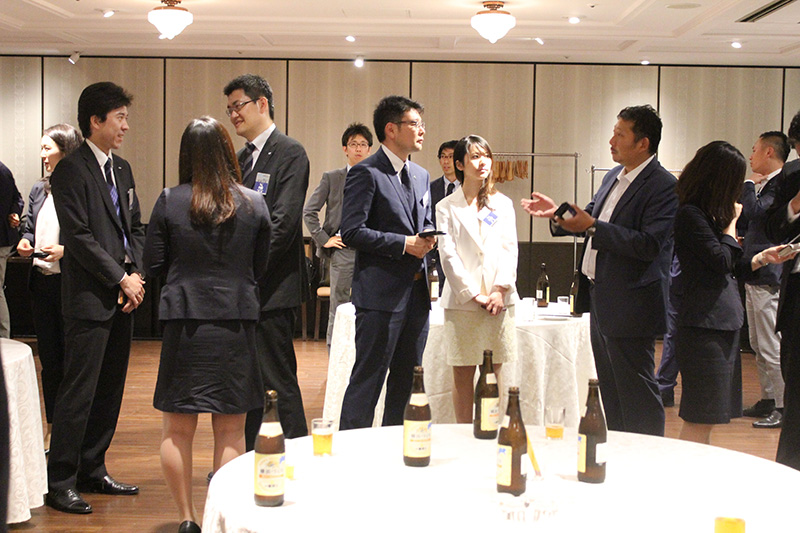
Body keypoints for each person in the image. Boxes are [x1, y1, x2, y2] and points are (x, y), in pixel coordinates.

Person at [144, 117, 271, 533]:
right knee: (231, 430)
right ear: (228, 152)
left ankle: (187, 518)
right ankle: (222, 519)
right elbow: (260, 266)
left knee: (177, 428)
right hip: (236, 322)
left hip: (185, 321)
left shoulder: (169, 200)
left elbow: (153, 264)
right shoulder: (254, 202)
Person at [521, 104, 678, 436]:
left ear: (643, 143)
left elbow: (649, 244)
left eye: (620, 134)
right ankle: (620, 446)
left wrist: (592, 225)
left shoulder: (663, 185)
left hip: (632, 302)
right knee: (611, 388)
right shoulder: (612, 177)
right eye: (613, 132)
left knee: (637, 389)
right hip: (600, 296)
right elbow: (590, 218)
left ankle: (649, 452)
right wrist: (558, 214)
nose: (611, 141)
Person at [46, 82, 146, 514]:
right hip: (90, 297)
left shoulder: (121, 168)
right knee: (79, 392)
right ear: (95, 120)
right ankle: (60, 480)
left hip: (124, 295)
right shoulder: (70, 170)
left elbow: (135, 227)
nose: (125, 126)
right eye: (120, 117)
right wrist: (120, 278)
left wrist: (136, 274)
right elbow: (79, 238)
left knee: (109, 390)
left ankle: (93, 467)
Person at [339, 95, 436, 429]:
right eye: (415, 124)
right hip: (379, 298)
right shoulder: (366, 172)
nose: (422, 131)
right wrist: (404, 244)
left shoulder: (421, 175)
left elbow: (422, 220)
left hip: (417, 296)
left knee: (408, 384)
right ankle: (352, 451)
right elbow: (352, 231)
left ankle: (397, 448)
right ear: (391, 129)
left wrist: (428, 237)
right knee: (367, 382)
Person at [224, 74, 310, 443]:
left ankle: (297, 455)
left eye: (238, 106)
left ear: (262, 104)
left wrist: (245, 270)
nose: (233, 114)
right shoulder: (241, 157)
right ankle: (254, 455)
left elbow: (283, 224)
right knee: (249, 383)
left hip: (272, 288)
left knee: (278, 380)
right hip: (243, 289)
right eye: (229, 109)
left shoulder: (290, 152)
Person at [435, 135, 518, 423]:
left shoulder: (503, 204)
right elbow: (447, 255)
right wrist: (474, 294)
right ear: (460, 164)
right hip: (463, 302)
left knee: (493, 372)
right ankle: (463, 433)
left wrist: (498, 290)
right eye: (474, 157)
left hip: (498, 301)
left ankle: (491, 428)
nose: (483, 162)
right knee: (462, 372)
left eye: (486, 156)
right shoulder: (446, 206)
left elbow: (510, 249)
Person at [16, 123, 83, 452]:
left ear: (65, 149)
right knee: (51, 361)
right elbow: (29, 227)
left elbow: (93, 237)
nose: (42, 154)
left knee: (73, 362)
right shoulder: (39, 188)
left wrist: (66, 251)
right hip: (41, 283)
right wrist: (25, 242)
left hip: (71, 285)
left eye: (47, 148)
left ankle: (74, 432)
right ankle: (53, 428)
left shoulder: (82, 187)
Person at [303, 123, 373, 348]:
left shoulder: (378, 178)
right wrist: (324, 239)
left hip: (371, 250)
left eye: (363, 144)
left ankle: (361, 356)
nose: (358, 149)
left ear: (370, 149)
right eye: (353, 144)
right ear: (345, 149)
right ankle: (334, 358)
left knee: (368, 306)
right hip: (343, 251)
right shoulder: (332, 178)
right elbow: (309, 211)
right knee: (339, 307)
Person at [739, 131, 789, 429]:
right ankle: (769, 398)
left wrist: (747, 185)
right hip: (755, 269)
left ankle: (782, 405)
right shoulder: (768, 184)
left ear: (769, 152)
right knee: (757, 342)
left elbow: (756, 212)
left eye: (755, 149)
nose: (751, 155)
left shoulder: (780, 184)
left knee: (770, 344)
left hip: (769, 273)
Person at [765, 110, 800, 470]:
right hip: (798, 296)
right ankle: (791, 469)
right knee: (797, 387)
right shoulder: (792, 175)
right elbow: (773, 228)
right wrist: (795, 205)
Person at [427, 140, 459, 294]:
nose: (446, 161)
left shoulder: (469, 189)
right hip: (434, 255)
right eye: (443, 156)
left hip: (461, 255)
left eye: (450, 156)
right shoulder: (429, 188)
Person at [0, 161, 24, 338]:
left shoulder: (2, 171)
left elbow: (17, 199)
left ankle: (4, 338)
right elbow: (18, 199)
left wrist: (14, 212)